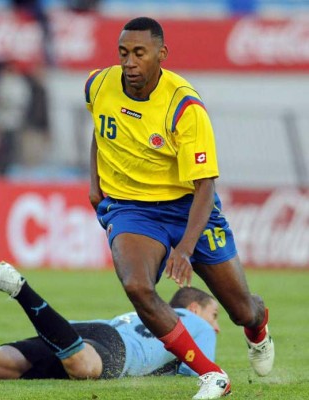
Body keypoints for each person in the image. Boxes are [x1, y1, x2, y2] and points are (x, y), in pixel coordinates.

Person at [85, 17, 274, 399]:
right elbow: (101, 129)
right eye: (123, 53)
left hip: (189, 208)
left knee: (241, 311)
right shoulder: (97, 85)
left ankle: (259, 328)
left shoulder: (184, 107)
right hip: (132, 209)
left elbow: (206, 185)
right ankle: (212, 376)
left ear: (161, 54)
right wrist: (95, 184)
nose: (129, 62)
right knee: (137, 286)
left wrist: (185, 249)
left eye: (139, 53)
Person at [0, 237, 220, 382]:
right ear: (194, 307)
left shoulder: (151, 314)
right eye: (215, 315)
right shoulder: (197, 324)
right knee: (85, 368)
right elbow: (195, 372)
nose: (216, 326)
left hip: (79, 331)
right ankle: (19, 288)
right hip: (111, 347)